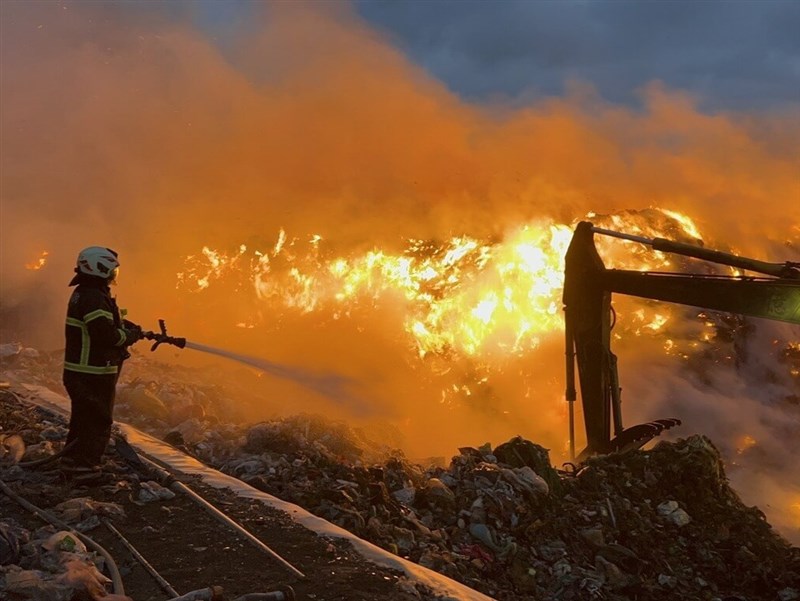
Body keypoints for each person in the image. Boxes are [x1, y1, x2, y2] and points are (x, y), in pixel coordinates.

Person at [61, 246, 143, 481]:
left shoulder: (86, 292)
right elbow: (104, 335)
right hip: (92, 372)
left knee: (83, 418)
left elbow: (103, 322)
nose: (114, 275)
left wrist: (124, 324)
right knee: (97, 420)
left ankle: (72, 463)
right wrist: (128, 336)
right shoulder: (93, 296)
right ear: (100, 267)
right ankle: (84, 470)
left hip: (82, 371)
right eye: (112, 270)